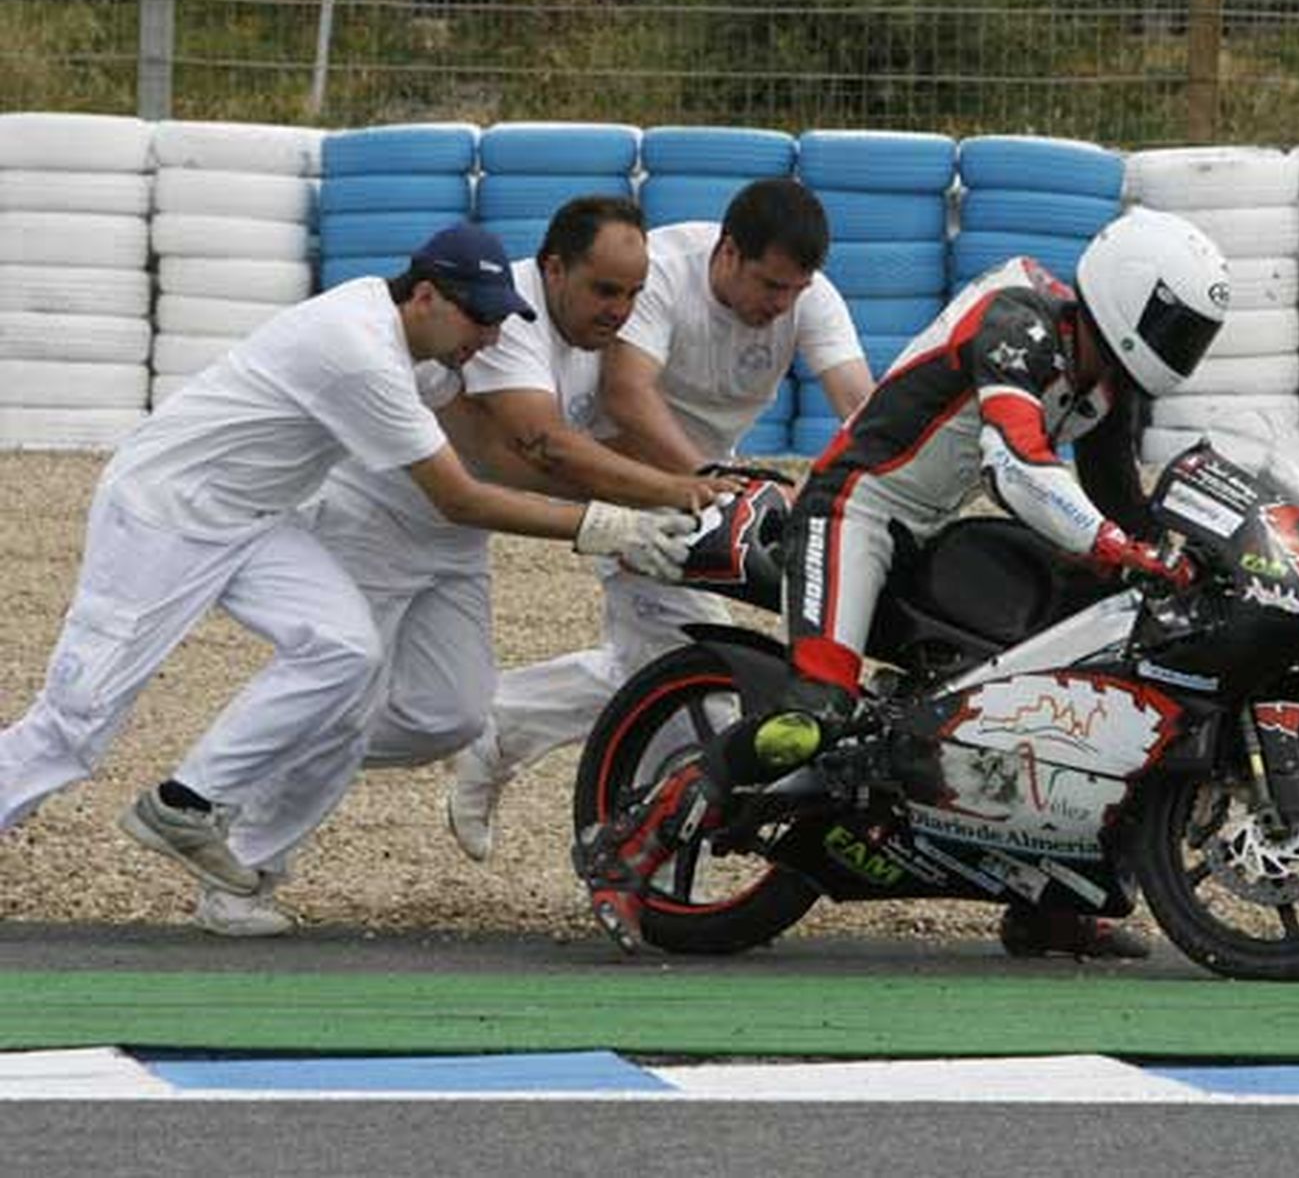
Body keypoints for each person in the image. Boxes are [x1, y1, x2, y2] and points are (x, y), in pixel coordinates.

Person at [575, 206, 1232, 957]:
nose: (1183, 347)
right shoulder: (1020, 322)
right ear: (1129, 296)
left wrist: (1182, 557)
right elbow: (1016, 465)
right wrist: (1116, 544)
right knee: (813, 717)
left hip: (923, 532)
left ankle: (1048, 899)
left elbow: (1119, 496)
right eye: (1176, 326)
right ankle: (629, 845)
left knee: (1085, 665)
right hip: (853, 510)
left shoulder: (1105, 379)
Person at [0, 222, 695, 921]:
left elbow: (497, 456)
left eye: (497, 321)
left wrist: (633, 502)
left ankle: (186, 801)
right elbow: (459, 497)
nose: (489, 338)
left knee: (346, 653)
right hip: (163, 511)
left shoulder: (421, 349)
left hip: (258, 518)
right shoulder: (360, 353)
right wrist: (607, 525)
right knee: (74, 725)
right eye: (479, 318)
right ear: (425, 296)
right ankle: (203, 814)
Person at [184, 195, 733, 937]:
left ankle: (253, 755)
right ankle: (238, 870)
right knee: (341, 702)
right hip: (376, 518)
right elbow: (541, 447)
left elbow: (598, 434)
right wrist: (669, 497)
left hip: (457, 535)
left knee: (451, 715)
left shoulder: (598, 333)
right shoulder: (506, 316)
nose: (620, 310)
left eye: (634, 294)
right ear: (554, 269)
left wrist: (683, 491)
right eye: (605, 290)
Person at [445, 177, 874, 863]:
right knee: (704, 690)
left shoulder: (807, 296)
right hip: (632, 479)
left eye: (794, 290)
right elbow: (627, 392)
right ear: (727, 253)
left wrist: (887, 472)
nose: (780, 305)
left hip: (701, 491)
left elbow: (859, 400)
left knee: (660, 669)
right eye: (770, 285)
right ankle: (647, 861)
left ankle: (505, 727)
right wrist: (700, 482)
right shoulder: (662, 272)